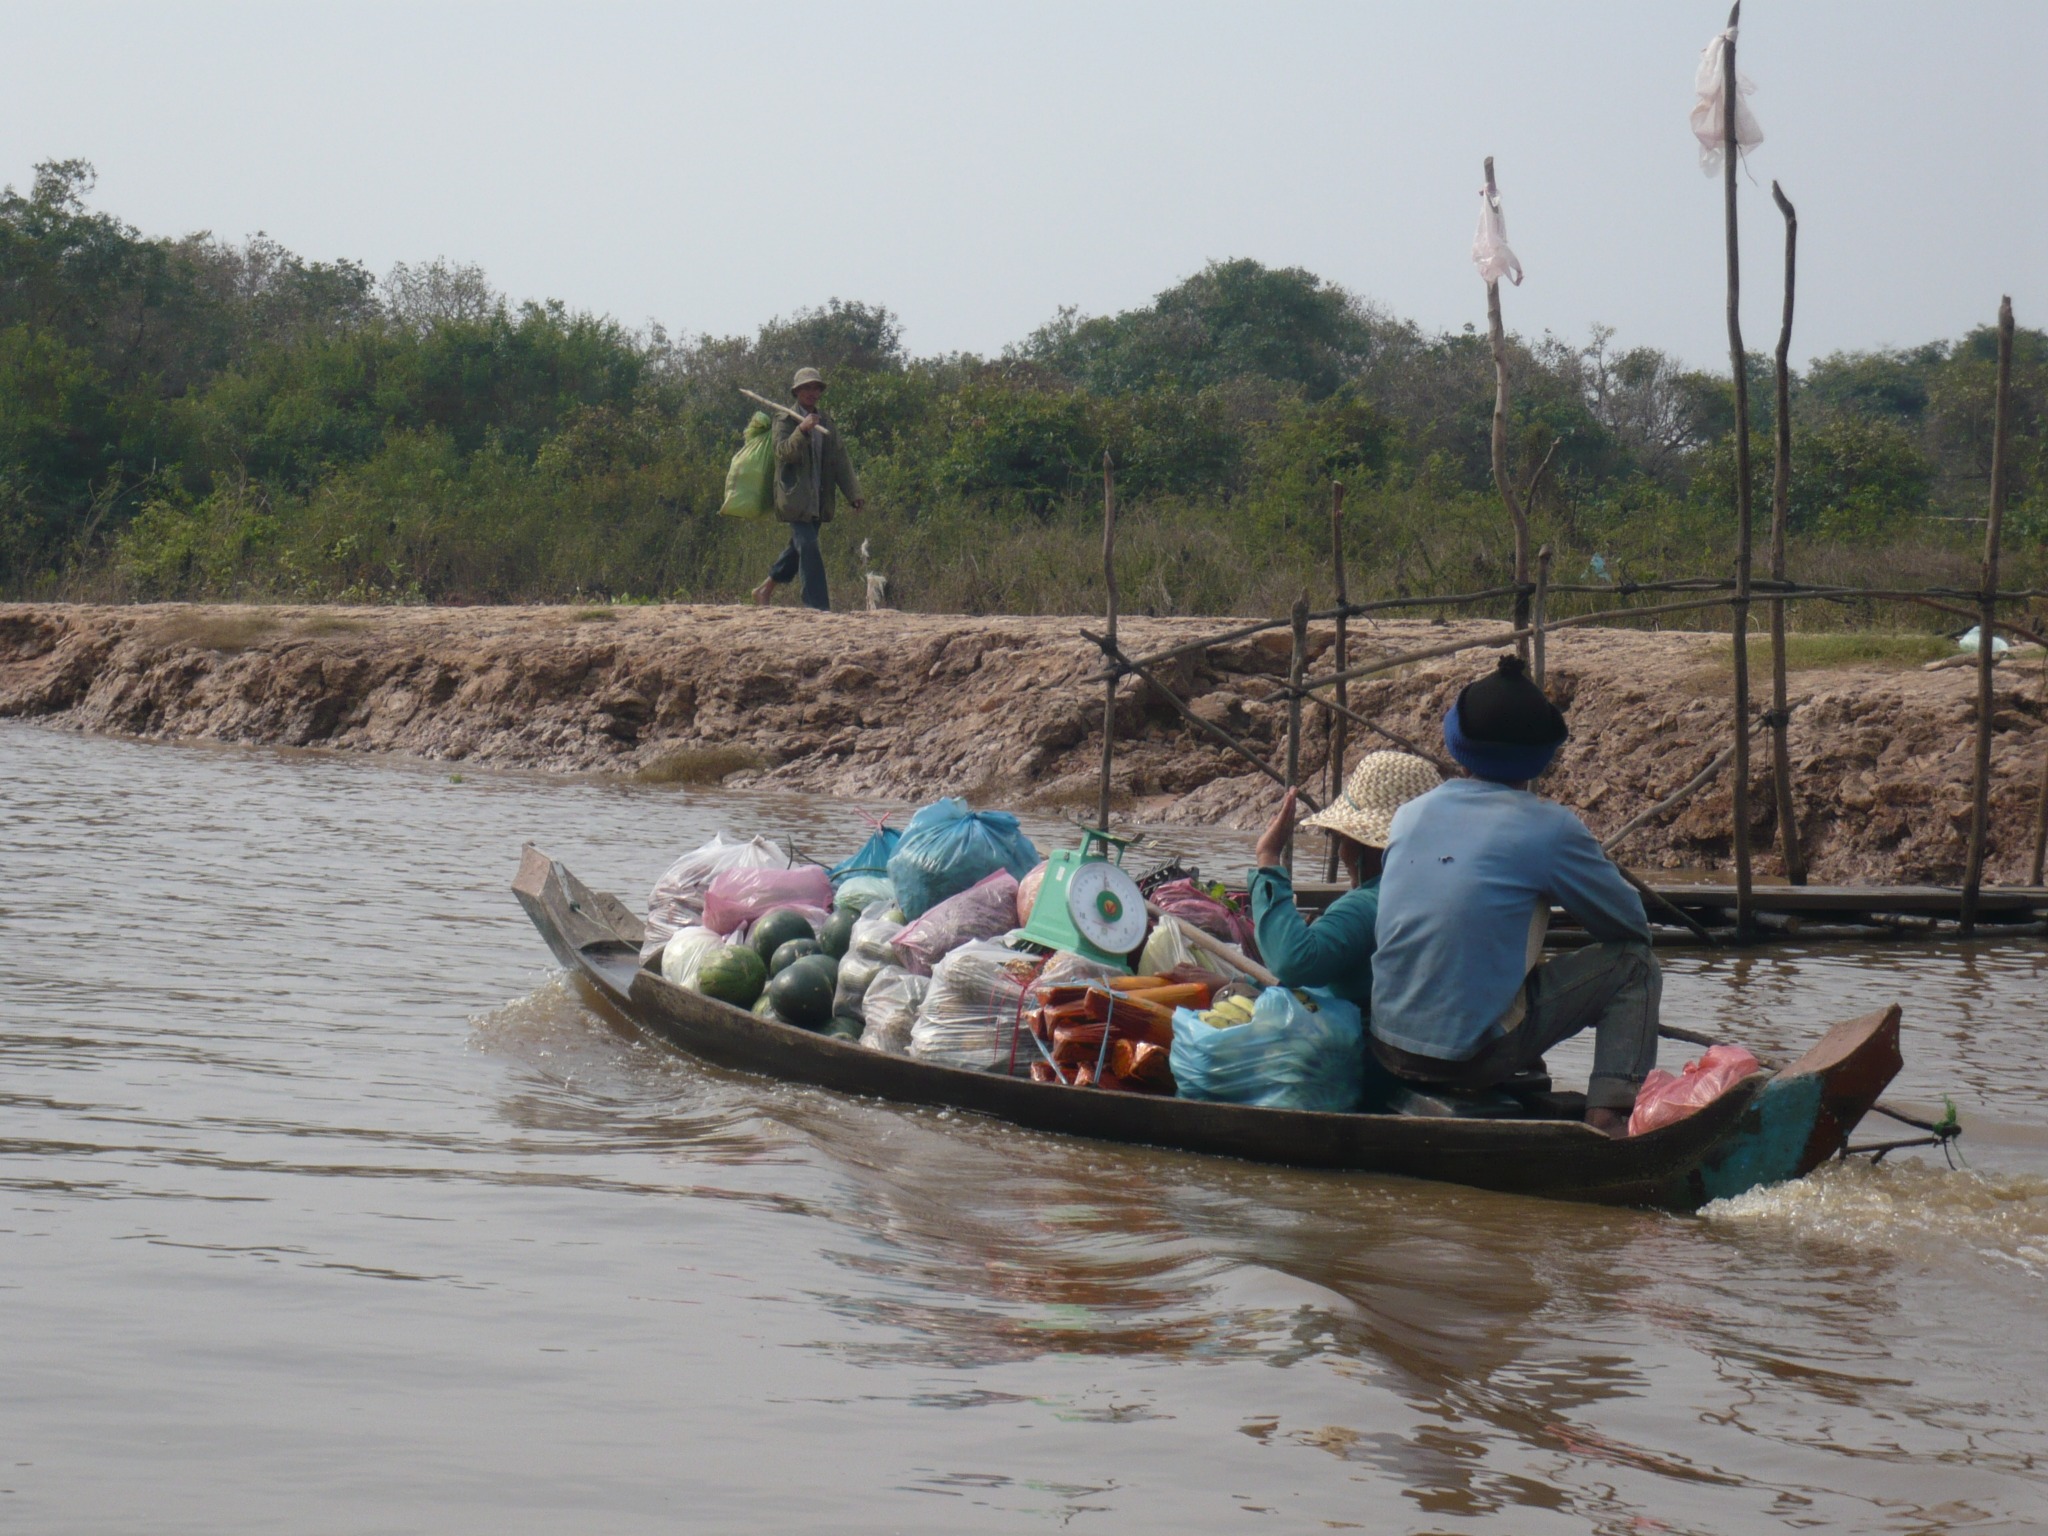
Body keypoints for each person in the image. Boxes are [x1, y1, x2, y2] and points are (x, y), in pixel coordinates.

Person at [1368, 655, 1659, 1136]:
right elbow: (1629, 927)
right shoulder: (1549, 827)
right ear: (1542, 756)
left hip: (1386, 1046)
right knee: (1635, 966)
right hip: (1468, 1059)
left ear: (1456, 743)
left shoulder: (1409, 814)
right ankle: (1611, 1117)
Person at [1247, 751, 1443, 1013]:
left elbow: (1292, 962)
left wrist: (1268, 856)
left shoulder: (1369, 904)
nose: (1341, 852)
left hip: (1369, 1034)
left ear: (1369, 847)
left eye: (1343, 839)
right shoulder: (1442, 886)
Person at [751, 366, 863, 610]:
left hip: (818, 499)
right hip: (795, 498)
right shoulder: (785, 420)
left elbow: (840, 460)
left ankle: (764, 590)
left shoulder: (826, 422)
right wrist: (802, 430)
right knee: (809, 546)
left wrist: (853, 493)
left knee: (798, 548)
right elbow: (784, 453)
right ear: (797, 392)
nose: (812, 392)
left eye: (816, 388)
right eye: (806, 388)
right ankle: (817, 606)